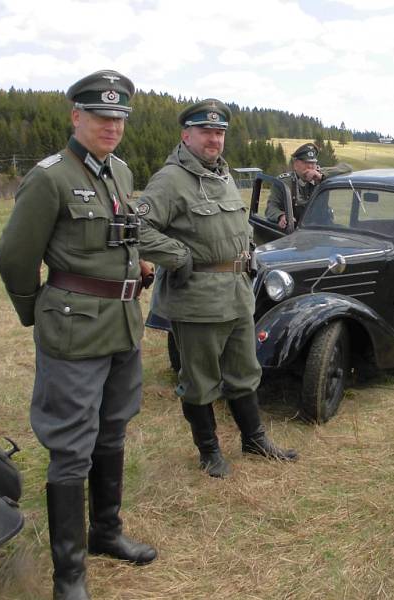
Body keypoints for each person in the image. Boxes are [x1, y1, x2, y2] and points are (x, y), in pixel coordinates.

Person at [0, 70, 157, 600]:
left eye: (119, 118)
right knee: (71, 446)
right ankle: (70, 575)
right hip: (73, 331)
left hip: (122, 324)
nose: (112, 126)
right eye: (101, 116)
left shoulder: (121, 171)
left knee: (113, 429)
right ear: (76, 116)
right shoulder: (50, 177)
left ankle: (105, 533)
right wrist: (34, 312)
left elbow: (116, 239)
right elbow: (14, 256)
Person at [132, 99, 297, 479]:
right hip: (197, 297)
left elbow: (234, 226)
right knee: (201, 380)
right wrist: (176, 254)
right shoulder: (171, 180)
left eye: (219, 132)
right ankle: (209, 452)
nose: (214, 139)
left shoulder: (221, 175)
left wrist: (249, 252)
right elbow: (137, 229)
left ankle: (254, 439)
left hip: (237, 292)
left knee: (244, 370)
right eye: (206, 131)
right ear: (186, 134)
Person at [266, 143, 350, 228]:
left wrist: (322, 176)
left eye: (313, 163)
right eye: (305, 163)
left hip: (323, 228)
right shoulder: (284, 183)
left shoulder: (321, 175)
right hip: (296, 232)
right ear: (295, 165)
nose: (310, 166)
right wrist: (281, 216)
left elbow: (346, 167)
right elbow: (271, 208)